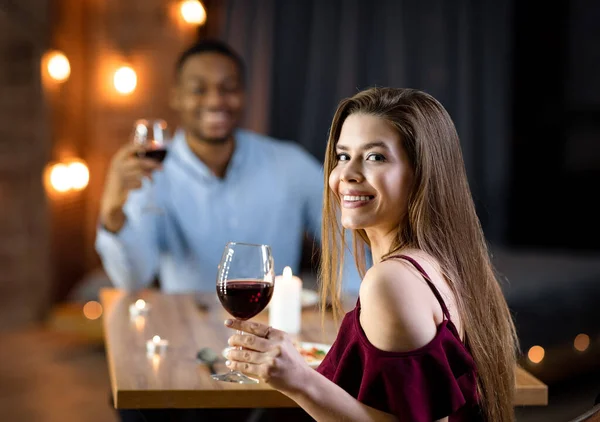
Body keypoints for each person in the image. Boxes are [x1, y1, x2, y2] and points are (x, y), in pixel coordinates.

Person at [224, 87, 519, 421]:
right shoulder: (442, 262)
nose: (347, 174)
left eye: (376, 157)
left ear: (422, 173)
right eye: (343, 156)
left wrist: (299, 381)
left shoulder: (391, 281)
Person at [95, 38, 361, 294]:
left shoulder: (289, 163)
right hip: (189, 328)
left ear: (243, 95)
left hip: (275, 326)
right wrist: (112, 211)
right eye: (199, 89)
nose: (215, 101)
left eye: (228, 88)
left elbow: (346, 231)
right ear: (176, 97)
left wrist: (348, 302)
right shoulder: (150, 174)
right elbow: (132, 280)